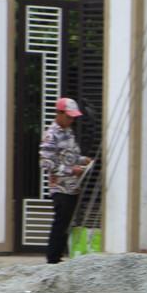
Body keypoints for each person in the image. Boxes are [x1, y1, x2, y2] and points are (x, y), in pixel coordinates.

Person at [40, 97, 92, 265]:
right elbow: (45, 163)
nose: (71, 120)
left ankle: (58, 256)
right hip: (60, 189)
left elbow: (72, 155)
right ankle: (53, 258)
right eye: (68, 116)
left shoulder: (68, 132)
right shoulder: (51, 135)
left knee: (67, 223)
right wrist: (70, 170)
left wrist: (83, 160)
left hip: (73, 187)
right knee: (61, 222)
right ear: (59, 113)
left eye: (73, 117)